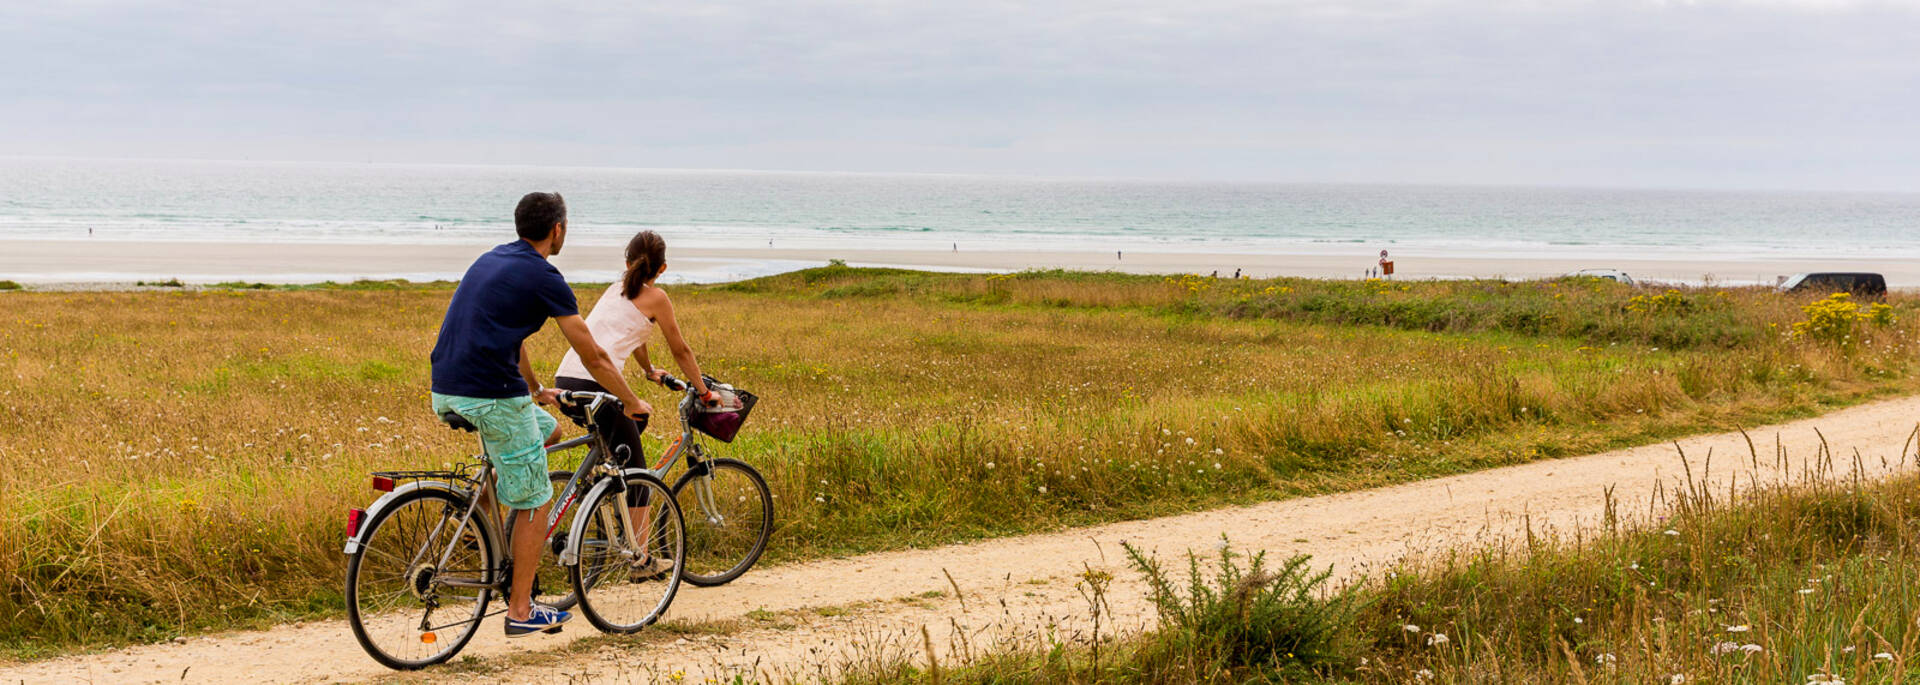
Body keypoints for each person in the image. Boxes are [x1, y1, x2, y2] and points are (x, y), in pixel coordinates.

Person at [427, 191, 649, 637]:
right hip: (491, 395)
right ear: (557, 230)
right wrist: (630, 400)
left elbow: (512, 337)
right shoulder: (546, 277)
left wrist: (536, 389)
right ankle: (521, 611)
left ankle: (477, 516)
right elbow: (594, 356)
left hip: (446, 388)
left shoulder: (492, 259)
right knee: (536, 500)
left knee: (547, 430)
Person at [551, 231, 721, 580]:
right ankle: (640, 560)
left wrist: (647, 370)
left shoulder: (615, 289)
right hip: (597, 385)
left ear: (627, 263)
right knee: (639, 473)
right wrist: (704, 391)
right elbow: (681, 350)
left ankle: (609, 492)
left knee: (623, 446)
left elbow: (632, 334)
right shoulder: (657, 297)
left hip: (567, 380)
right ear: (662, 268)